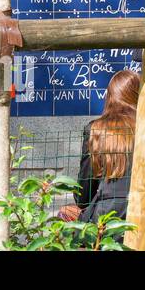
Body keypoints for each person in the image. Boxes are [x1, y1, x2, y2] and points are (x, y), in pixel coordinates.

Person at [59, 69, 139, 224]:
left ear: (109, 97)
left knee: (65, 213)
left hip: (107, 216)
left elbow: (83, 197)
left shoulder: (95, 129)